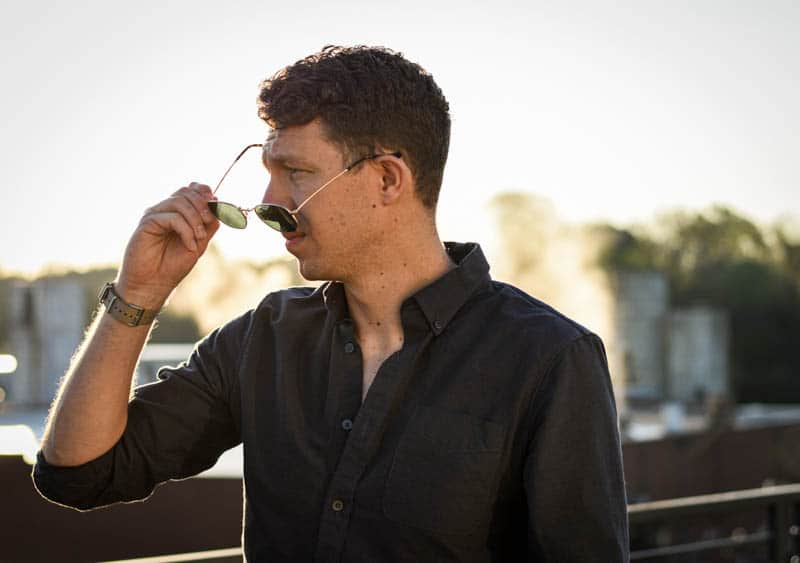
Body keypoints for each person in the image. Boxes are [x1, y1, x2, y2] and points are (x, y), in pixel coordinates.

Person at [32, 45, 629, 562]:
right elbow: (80, 473)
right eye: (267, 170)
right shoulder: (263, 338)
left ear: (387, 180)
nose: (267, 203)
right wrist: (137, 294)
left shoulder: (548, 358)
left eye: (293, 171)